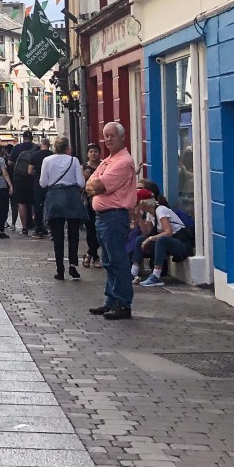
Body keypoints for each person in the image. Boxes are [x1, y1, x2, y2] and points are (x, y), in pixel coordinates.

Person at [84, 121, 138, 319]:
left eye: (111, 135)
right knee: (108, 261)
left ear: (122, 137)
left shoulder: (123, 162)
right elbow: (89, 182)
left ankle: (123, 304)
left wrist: (93, 185)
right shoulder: (108, 160)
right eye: (105, 135)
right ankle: (111, 301)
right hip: (103, 217)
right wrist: (92, 184)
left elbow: (96, 185)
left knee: (117, 260)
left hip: (114, 217)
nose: (107, 139)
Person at [39, 137, 87, 281]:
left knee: (57, 235)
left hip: (55, 198)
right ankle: (73, 264)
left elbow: (43, 183)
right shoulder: (74, 161)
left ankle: (60, 269)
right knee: (73, 233)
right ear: (68, 148)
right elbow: (80, 182)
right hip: (71, 197)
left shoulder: (47, 161)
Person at [138, 197, 191, 287]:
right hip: (169, 243)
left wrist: (150, 239)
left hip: (181, 243)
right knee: (139, 239)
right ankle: (133, 272)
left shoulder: (160, 210)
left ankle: (156, 276)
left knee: (161, 239)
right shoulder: (150, 214)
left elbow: (168, 232)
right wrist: (138, 216)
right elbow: (146, 233)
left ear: (143, 203)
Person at [10, 131, 38, 235]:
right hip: (32, 178)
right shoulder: (36, 148)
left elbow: (10, 162)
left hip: (19, 178)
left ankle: (24, 228)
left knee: (21, 203)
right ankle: (37, 225)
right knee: (35, 202)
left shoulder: (17, 148)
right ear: (32, 138)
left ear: (23, 137)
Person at [82, 144, 103, 266]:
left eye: (95, 151)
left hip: (102, 202)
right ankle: (95, 257)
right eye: (91, 152)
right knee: (90, 230)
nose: (93, 154)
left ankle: (89, 254)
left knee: (100, 230)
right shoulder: (84, 168)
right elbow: (79, 184)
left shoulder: (104, 166)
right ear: (87, 154)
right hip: (88, 203)